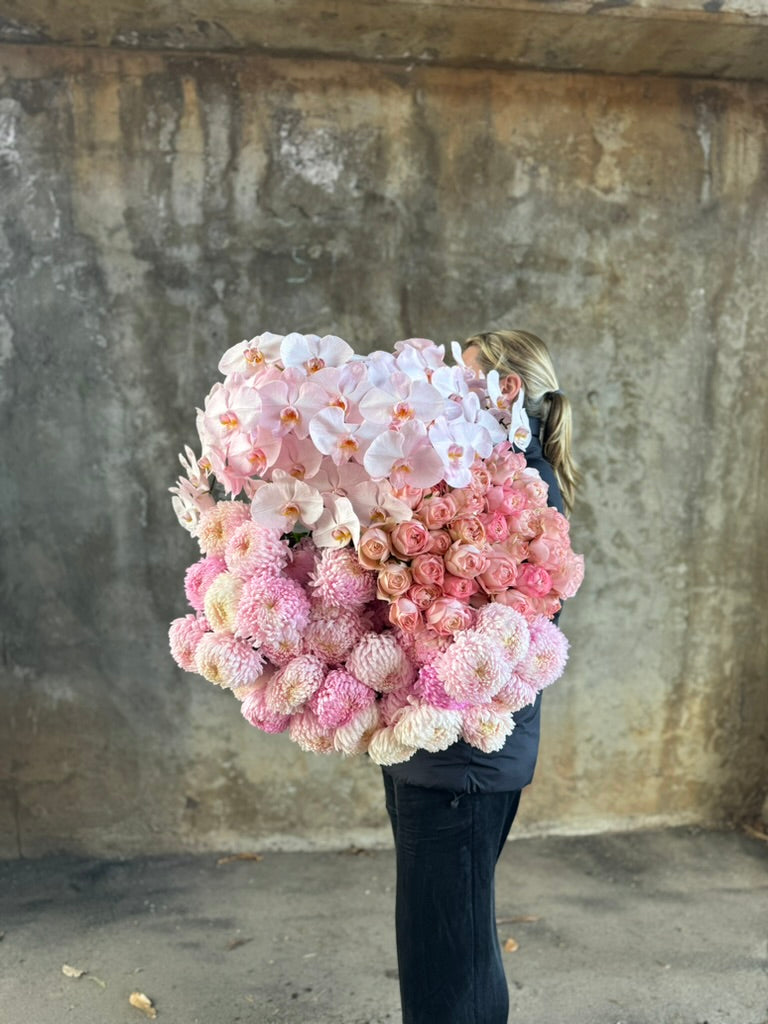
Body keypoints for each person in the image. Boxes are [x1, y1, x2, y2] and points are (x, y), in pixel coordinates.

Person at [381, 329, 580, 1024]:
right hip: (439, 749)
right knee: (442, 939)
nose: (446, 397)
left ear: (508, 392)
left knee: (450, 956)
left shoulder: (515, 490)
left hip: (463, 754)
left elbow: (481, 626)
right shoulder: (474, 472)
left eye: (463, 383)